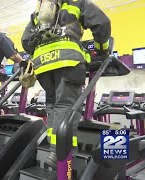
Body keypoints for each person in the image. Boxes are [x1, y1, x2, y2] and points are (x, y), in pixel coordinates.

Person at [21, 0, 111, 168]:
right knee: (66, 105)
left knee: (52, 104)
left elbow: (26, 41)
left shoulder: (39, 12)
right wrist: (102, 49)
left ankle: (52, 146)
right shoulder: (77, 3)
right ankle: (60, 151)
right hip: (68, 60)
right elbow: (102, 23)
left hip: (43, 65)